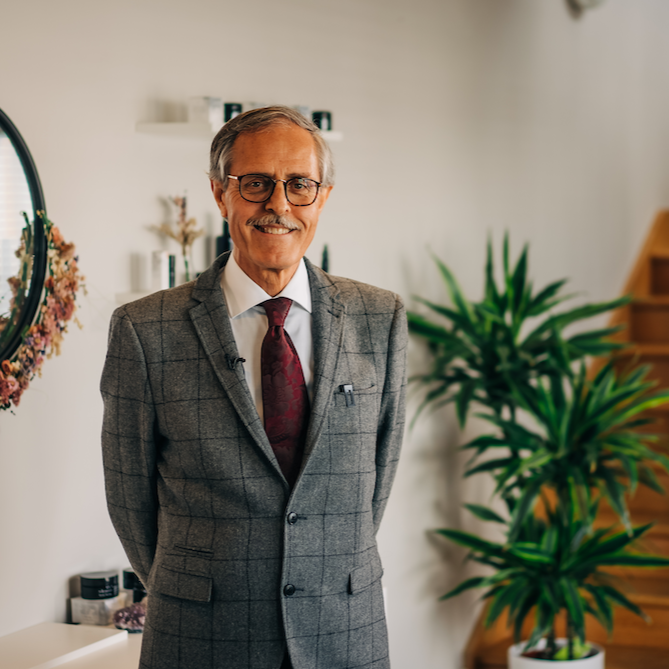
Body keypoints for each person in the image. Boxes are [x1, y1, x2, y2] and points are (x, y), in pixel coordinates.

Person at [101, 105, 407, 669]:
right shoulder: (144, 330)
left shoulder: (379, 318)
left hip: (345, 632)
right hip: (200, 637)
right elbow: (129, 500)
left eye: (300, 185)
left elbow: (376, 481)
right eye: (257, 184)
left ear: (324, 197)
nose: (279, 205)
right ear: (221, 194)